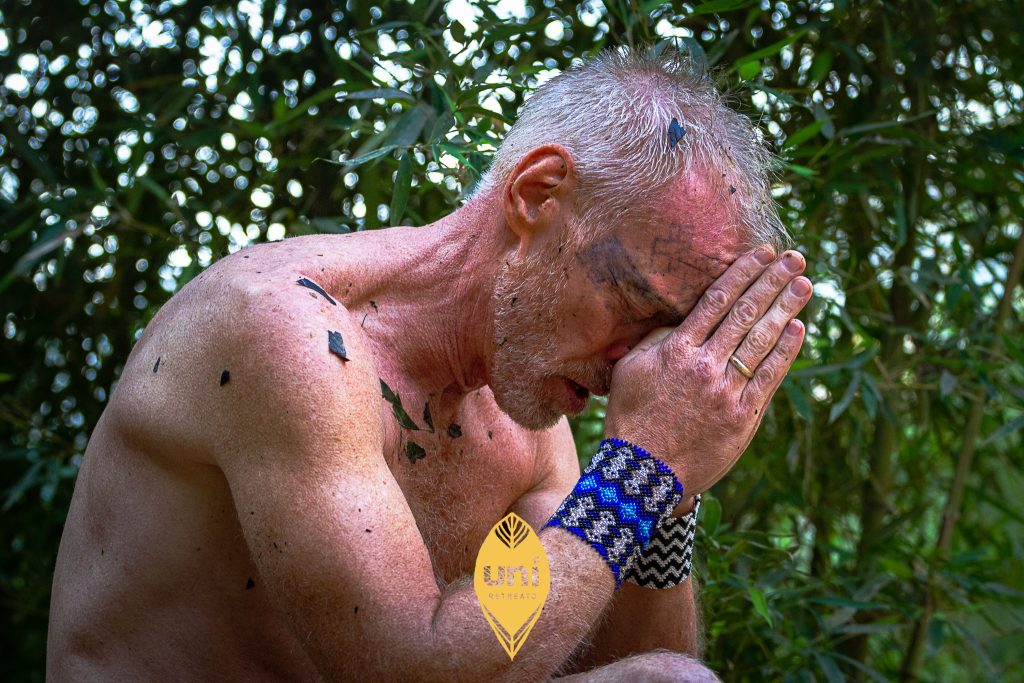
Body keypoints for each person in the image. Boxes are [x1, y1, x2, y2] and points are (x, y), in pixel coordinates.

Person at [46, 46, 812, 681]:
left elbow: (584, 653)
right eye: (633, 304)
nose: (630, 363)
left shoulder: (525, 420)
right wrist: (639, 469)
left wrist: (671, 485)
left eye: (660, 337)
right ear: (537, 194)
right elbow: (415, 667)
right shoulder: (290, 331)